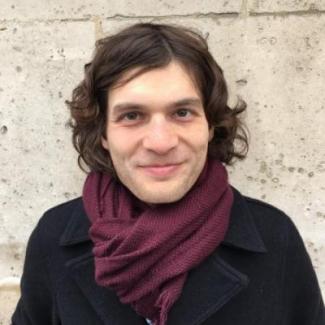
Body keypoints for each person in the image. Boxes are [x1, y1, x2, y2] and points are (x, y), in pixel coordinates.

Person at [12, 23, 324, 325]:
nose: (160, 142)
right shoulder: (53, 240)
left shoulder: (275, 238)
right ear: (103, 132)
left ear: (211, 125)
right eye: (132, 115)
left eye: (182, 113)